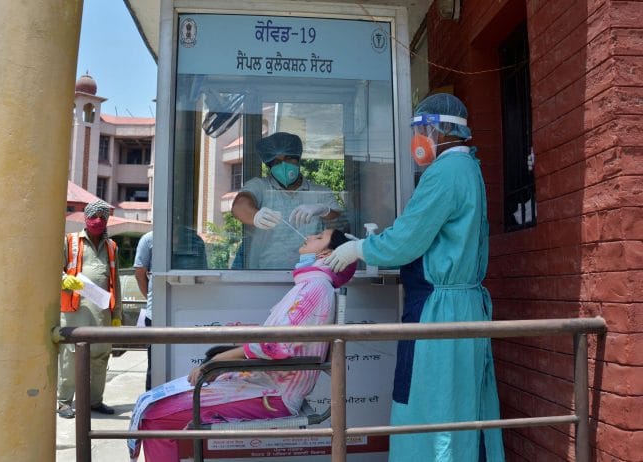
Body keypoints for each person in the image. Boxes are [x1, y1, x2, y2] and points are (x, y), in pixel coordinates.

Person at [325, 93, 505, 461]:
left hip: (441, 310)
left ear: (444, 130)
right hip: (455, 305)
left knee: (433, 404)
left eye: (423, 128)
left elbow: (407, 240)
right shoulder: (467, 168)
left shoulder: (445, 173)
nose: (418, 138)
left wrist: (361, 248)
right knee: (458, 403)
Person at [128, 229, 356, 461]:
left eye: (318, 237)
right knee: (155, 408)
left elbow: (274, 345)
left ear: (325, 254)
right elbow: (277, 337)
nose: (308, 236)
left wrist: (217, 361)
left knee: (154, 417)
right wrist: (235, 332)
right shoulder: (311, 286)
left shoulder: (314, 288)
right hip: (265, 384)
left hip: (273, 394)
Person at [231, 131, 344, 269]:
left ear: (298, 159)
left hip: (311, 274)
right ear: (270, 166)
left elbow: (340, 223)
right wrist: (255, 216)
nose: (283, 165)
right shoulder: (260, 186)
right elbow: (239, 205)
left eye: (288, 159)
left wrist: (324, 210)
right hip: (263, 275)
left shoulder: (320, 192)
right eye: (277, 162)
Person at [58, 200, 122, 418]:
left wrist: (117, 316)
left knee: (100, 358)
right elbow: (52, 270)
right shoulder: (70, 241)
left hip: (103, 313)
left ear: (107, 221)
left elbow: (116, 282)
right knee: (70, 358)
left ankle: (95, 401)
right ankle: (64, 402)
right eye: (93, 217)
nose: (97, 221)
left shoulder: (112, 247)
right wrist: (65, 280)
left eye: (102, 218)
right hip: (76, 312)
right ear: (85, 219)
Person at [134, 231, 153, 391]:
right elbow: (140, 274)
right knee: (154, 363)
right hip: (154, 314)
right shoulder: (148, 239)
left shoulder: (194, 239)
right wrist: (152, 299)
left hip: (186, 311)